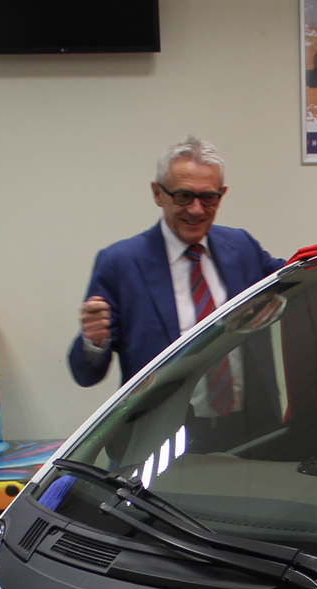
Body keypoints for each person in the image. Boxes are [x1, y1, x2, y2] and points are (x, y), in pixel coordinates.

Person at [67, 136, 285, 395]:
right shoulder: (119, 264)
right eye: (183, 196)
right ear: (157, 193)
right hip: (165, 416)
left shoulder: (242, 246)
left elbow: (295, 277)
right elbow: (86, 375)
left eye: (208, 197)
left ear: (221, 195)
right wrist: (93, 341)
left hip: (252, 414)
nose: (196, 210)